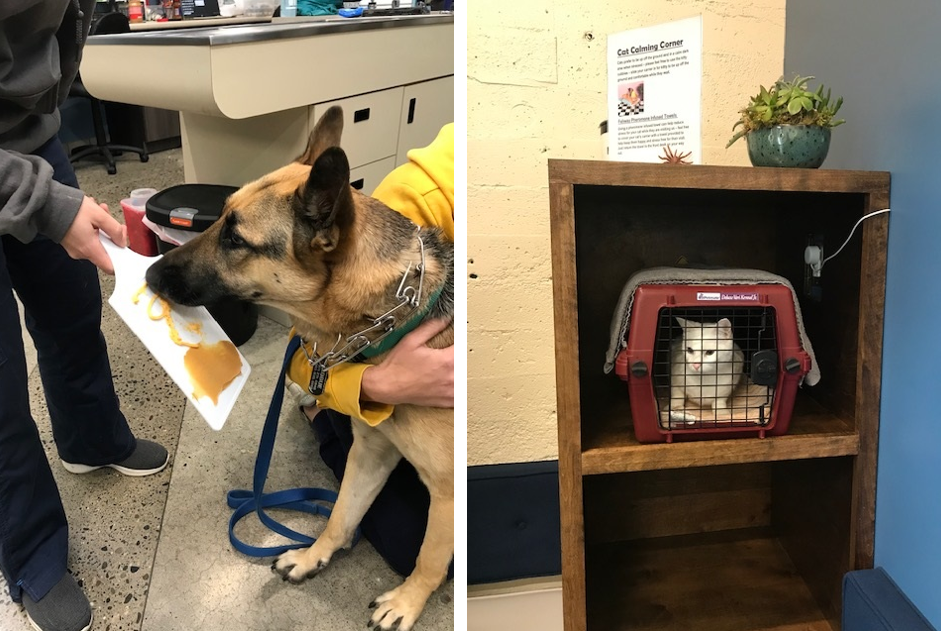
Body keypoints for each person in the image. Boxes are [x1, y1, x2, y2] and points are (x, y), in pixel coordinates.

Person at [0, 2, 169, 631]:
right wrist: (44, 203)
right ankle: (34, 557)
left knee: (71, 307)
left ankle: (91, 439)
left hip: (29, 136)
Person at [285, 123, 454, 576]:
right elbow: (297, 359)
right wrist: (375, 384)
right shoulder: (409, 203)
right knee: (403, 544)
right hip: (356, 376)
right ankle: (321, 416)